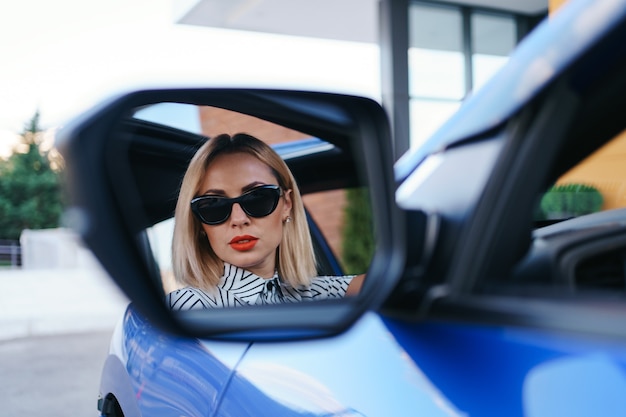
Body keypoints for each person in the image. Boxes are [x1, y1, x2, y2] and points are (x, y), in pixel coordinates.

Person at [167, 133, 365, 310]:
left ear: (286, 204)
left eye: (257, 199)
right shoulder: (187, 307)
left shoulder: (317, 293)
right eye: (214, 206)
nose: (239, 219)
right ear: (199, 223)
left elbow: (390, 283)